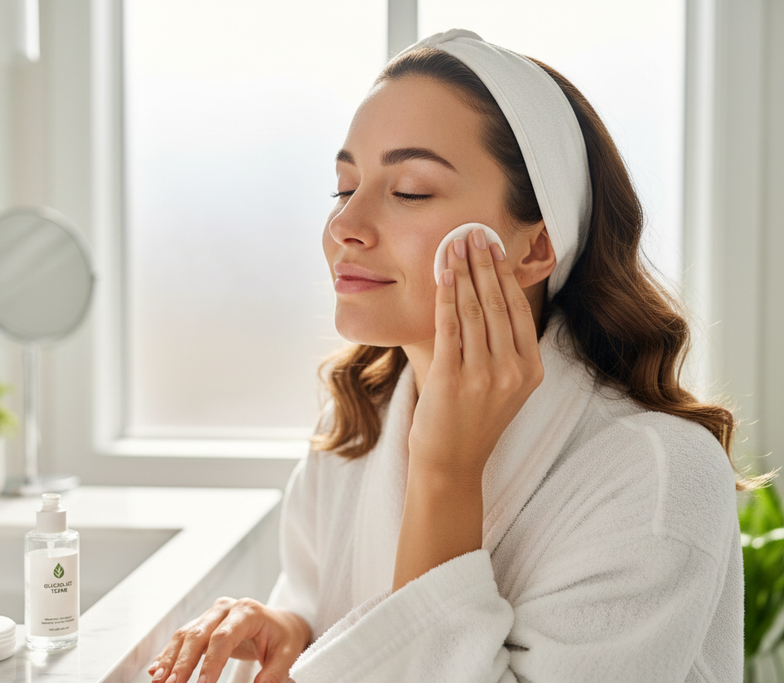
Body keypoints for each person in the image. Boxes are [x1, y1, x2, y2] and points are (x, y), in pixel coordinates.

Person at [147, 29, 750, 683]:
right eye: (344, 188)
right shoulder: (358, 424)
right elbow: (331, 618)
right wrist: (294, 635)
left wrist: (445, 472)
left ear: (535, 247)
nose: (344, 225)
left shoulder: (658, 475)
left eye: (410, 190)